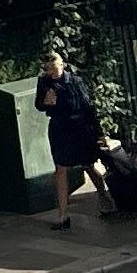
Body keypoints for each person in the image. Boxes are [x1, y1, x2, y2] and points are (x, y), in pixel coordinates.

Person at [38, 50, 106, 225]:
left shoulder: (75, 81)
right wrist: (46, 101)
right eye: (49, 67)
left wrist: (98, 133)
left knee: (88, 165)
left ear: (62, 65)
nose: (51, 70)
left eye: (54, 66)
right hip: (59, 128)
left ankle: (104, 195)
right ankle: (63, 215)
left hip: (78, 128)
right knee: (61, 169)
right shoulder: (44, 82)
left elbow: (88, 107)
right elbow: (39, 104)